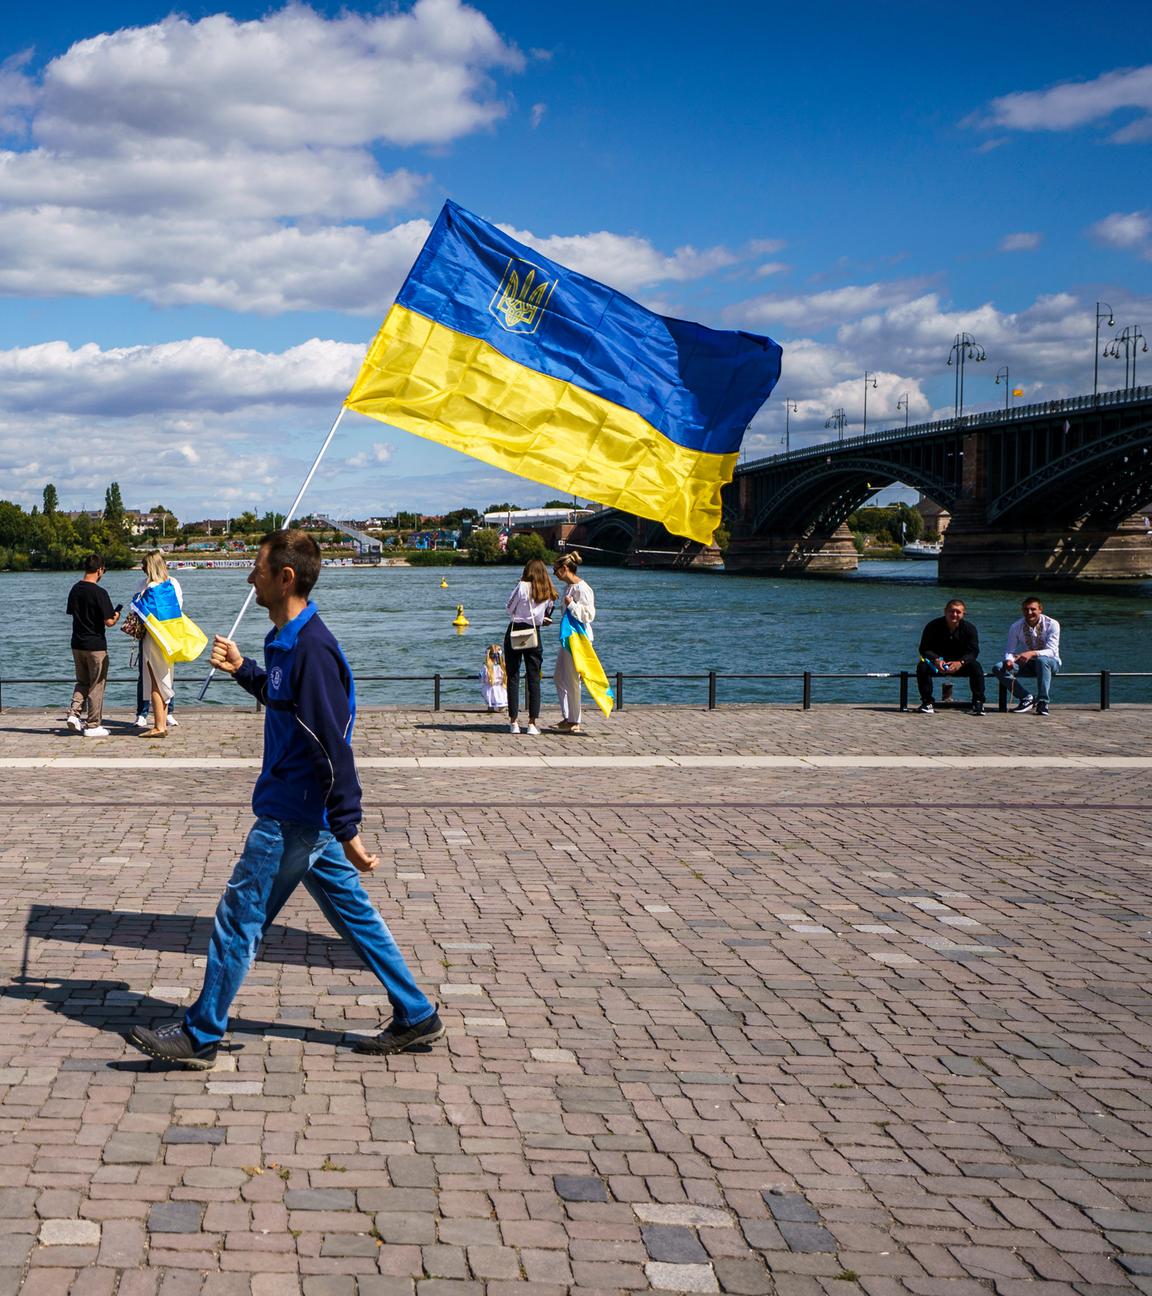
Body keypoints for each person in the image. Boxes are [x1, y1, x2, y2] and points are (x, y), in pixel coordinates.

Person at [126, 529, 443, 1067]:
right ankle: (416, 1014)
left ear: (285, 578)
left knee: (238, 916)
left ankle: (201, 1034)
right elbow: (285, 698)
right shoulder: (289, 641)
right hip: (305, 813)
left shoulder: (312, 648)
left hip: (294, 813)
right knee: (355, 918)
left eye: (258, 569)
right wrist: (245, 669)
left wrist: (349, 828)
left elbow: (332, 743)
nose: (251, 578)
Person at [65, 553, 121, 738]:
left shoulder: (75, 589)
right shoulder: (100, 593)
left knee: (82, 681)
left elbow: (73, 613)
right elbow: (109, 622)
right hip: (95, 645)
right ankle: (93, 724)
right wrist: (117, 616)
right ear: (99, 570)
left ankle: (74, 714)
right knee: (96, 684)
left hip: (77, 644)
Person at [504, 558, 556, 735]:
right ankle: (532, 723)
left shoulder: (522, 587)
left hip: (516, 631)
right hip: (535, 633)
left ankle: (514, 722)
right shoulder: (548, 590)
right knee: (534, 678)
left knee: (513, 676)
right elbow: (546, 613)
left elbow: (509, 609)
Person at [134, 551, 183, 737]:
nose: (142, 568)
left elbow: (138, 610)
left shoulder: (149, 588)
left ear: (150, 567)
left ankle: (158, 726)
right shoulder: (171, 585)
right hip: (169, 637)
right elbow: (179, 607)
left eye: (144, 565)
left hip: (152, 638)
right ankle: (164, 720)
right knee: (165, 678)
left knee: (154, 681)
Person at [993, 596, 1062, 716]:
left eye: (1033, 609)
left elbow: (1052, 651)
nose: (1029, 612)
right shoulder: (1016, 626)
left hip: (1051, 663)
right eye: (1026, 609)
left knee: (1042, 660)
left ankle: (1043, 701)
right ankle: (1026, 698)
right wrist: (1009, 660)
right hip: (1029, 663)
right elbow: (1009, 650)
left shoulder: (1052, 624)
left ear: (1040, 609)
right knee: (999, 667)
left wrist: (1031, 653)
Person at [915, 598, 985, 715]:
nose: (954, 614)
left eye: (958, 612)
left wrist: (960, 662)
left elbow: (973, 651)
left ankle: (978, 702)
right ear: (945, 611)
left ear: (963, 614)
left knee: (976, 667)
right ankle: (927, 702)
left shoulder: (969, 629)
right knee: (922, 667)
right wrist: (936, 660)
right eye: (951, 611)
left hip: (960, 665)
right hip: (938, 664)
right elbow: (924, 648)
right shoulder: (933, 626)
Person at [551, 551, 596, 733]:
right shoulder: (568, 588)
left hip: (579, 638)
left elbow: (589, 615)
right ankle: (568, 716)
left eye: (556, 570)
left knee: (572, 680)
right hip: (568, 636)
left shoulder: (583, 588)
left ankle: (574, 720)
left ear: (564, 568)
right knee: (559, 677)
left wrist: (571, 605)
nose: (554, 574)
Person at [480, 643, 508, 712]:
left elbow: (482, 679)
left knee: (490, 703)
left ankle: (491, 707)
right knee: (502, 704)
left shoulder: (486, 667)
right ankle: (501, 708)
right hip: (501, 689)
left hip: (489, 689)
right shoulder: (503, 667)